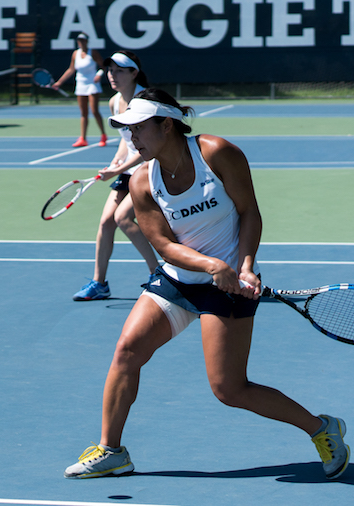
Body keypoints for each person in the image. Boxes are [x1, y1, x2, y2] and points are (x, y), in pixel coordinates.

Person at [64, 88, 349, 480]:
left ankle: (321, 428)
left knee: (229, 389)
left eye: (137, 130)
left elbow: (250, 212)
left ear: (166, 125)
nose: (131, 139)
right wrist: (211, 264)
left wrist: (245, 266)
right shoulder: (142, 181)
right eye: (126, 132)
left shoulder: (216, 153)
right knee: (127, 350)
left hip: (230, 284)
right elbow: (163, 244)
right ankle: (112, 450)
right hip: (179, 281)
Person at [72, 51, 160, 301]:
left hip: (151, 167)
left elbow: (148, 149)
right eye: (110, 70)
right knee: (106, 222)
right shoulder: (113, 102)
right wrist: (114, 162)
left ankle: (158, 273)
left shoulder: (144, 101)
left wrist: (118, 169)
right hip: (130, 168)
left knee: (123, 218)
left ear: (134, 73)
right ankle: (99, 283)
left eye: (119, 71)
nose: (113, 75)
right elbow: (126, 141)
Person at [52, 33, 107, 148]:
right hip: (80, 85)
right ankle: (83, 138)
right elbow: (71, 69)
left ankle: (103, 135)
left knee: (95, 111)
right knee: (83, 113)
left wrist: (99, 74)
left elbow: (103, 66)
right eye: (79, 40)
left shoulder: (93, 53)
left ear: (87, 41)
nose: (81, 42)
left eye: (83, 40)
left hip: (92, 85)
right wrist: (59, 82)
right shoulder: (75, 54)